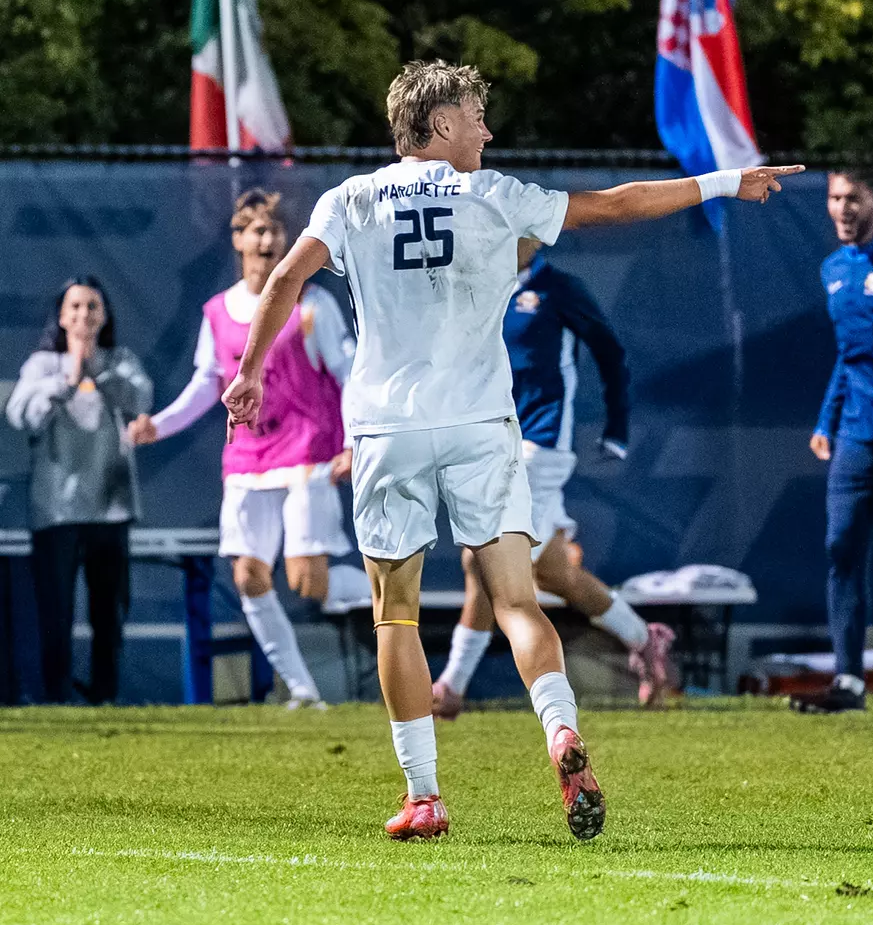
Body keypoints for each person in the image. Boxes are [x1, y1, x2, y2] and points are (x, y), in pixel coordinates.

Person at [222, 59, 803, 841]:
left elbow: (285, 280)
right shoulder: (493, 197)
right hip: (480, 426)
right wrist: (726, 181)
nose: (487, 132)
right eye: (475, 116)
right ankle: (561, 731)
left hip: (386, 431)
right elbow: (619, 203)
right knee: (519, 600)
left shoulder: (347, 200)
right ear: (438, 125)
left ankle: (424, 796)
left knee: (396, 618)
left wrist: (250, 372)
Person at [129, 188, 368, 708]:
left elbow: (349, 374)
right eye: (257, 230)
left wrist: (353, 441)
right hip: (247, 457)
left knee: (309, 583)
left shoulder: (311, 305)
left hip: (308, 451)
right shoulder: (217, 311)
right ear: (238, 240)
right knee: (248, 575)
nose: (267, 240)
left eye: (275, 231)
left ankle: (390, 586)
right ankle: (304, 693)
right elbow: (206, 384)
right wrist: (160, 426)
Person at [432, 237, 673, 720]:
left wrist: (618, 429)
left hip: (540, 445)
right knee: (555, 574)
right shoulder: (477, 286)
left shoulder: (558, 288)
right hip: (489, 442)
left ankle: (450, 687)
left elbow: (609, 350)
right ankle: (645, 640)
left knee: (482, 560)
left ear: (537, 235)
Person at [6, 276, 153, 704]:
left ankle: (104, 695)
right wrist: (66, 379)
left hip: (111, 508)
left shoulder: (120, 360)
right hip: (57, 511)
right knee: (56, 613)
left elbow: (140, 398)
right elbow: (22, 416)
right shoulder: (41, 366)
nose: (84, 315)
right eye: (75, 307)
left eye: (92, 307)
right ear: (62, 315)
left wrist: (95, 369)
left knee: (108, 612)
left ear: (104, 314)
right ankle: (56, 698)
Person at [792, 170, 873, 714]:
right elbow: (850, 359)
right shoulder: (833, 271)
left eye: (854, 197)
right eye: (834, 198)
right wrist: (826, 420)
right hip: (857, 437)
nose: (842, 208)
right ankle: (849, 681)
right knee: (840, 549)